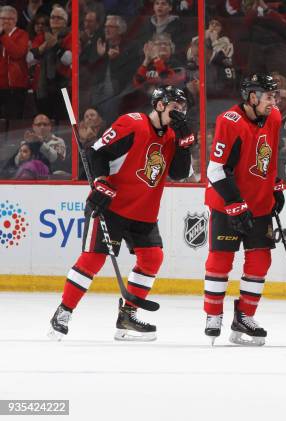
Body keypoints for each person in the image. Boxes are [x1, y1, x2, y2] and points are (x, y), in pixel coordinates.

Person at [47, 85, 195, 341]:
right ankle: (64, 311)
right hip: (111, 206)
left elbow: (180, 174)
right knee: (93, 259)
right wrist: (101, 181)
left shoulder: (173, 136)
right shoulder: (133, 124)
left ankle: (127, 316)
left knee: (152, 259)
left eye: (183, 108)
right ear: (160, 105)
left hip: (144, 210)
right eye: (175, 107)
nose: (180, 113)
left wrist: (184, 145)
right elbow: (97, 153)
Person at [203, 73, 283, 346]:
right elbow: (215, 169)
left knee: (261, 261)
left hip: (259, 203)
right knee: (221, 260)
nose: (274, 101)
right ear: (252, 97)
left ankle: (244, 317)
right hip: (227, 204)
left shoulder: (274, 117)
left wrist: (275, 187)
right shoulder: (230, 120)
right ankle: (213, 315)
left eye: (275, 96)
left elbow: (269, 157)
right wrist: (235, 203)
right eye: (269, 96)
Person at [0, 5, 29, 120]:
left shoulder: (22, 34)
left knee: (13, 121)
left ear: (16, 20)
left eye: (10, 18)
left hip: (15, 86)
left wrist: (3, 36)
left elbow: (17, 53)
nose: (6, 21)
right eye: (3, 18)